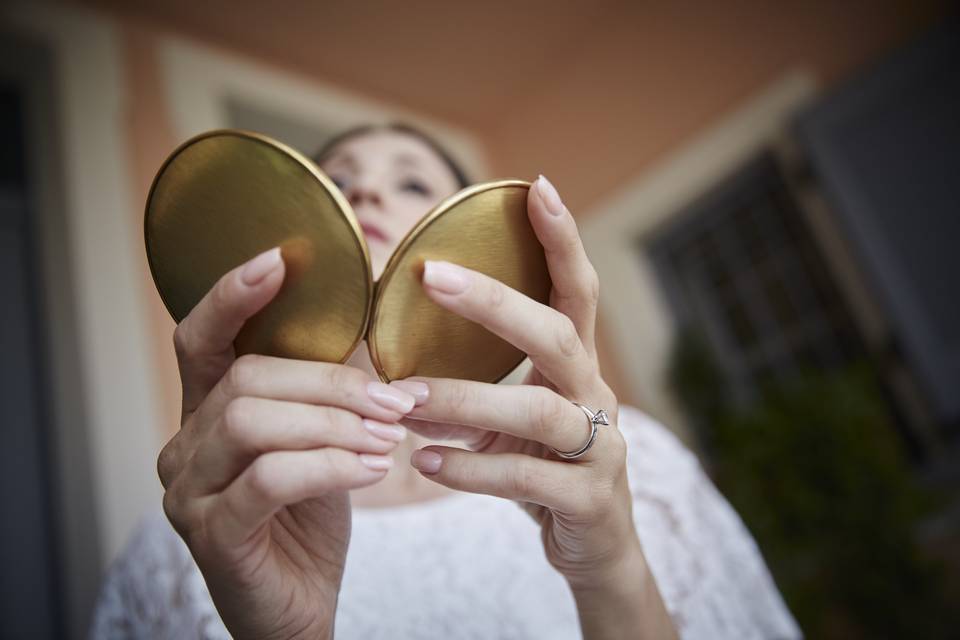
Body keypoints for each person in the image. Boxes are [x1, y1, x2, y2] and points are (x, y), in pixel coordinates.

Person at [91, 123, 801, 639]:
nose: (364, 188)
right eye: (333, 182)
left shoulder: (623, 467)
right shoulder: (201, 523)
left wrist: (611, 572)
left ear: (472, 238)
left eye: (411, 182)